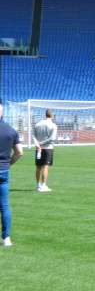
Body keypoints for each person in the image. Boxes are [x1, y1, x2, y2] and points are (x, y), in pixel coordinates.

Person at [0, 104, 24, 247]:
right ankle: (6, 238)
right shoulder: (11, 131)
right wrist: (9, 164)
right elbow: (19, 152)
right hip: (3, 171)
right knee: (4, 205)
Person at [33, 109, 57, 193]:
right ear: (52, 115)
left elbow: (33, 135)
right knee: (45, 166)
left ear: (45, 115)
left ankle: (38, 185)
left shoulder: (37, 124)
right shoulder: (53, 125)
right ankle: (43, 185)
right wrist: (41, 143)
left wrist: (37, 144)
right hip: (47, 148)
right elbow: (52, 138)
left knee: (38, 166)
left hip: (38, 148)